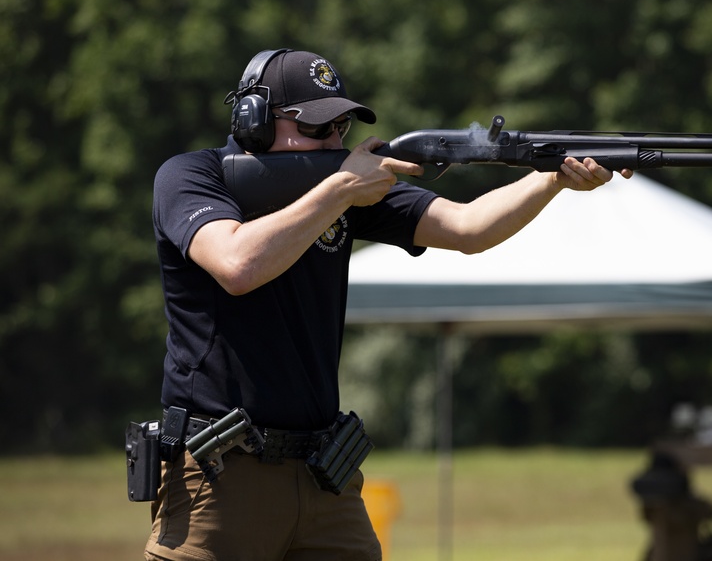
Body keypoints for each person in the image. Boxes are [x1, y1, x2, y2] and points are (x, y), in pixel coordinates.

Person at [145, 48, 632, 561]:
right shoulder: (192, 176)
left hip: (322, 474)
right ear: (255, 121)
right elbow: (237, 264)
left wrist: (551, 176)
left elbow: (469, 228)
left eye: (341, 127)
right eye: (317, 128)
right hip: (221, 475)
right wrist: (338, 191)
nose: (334, 142)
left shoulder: (345, 191)